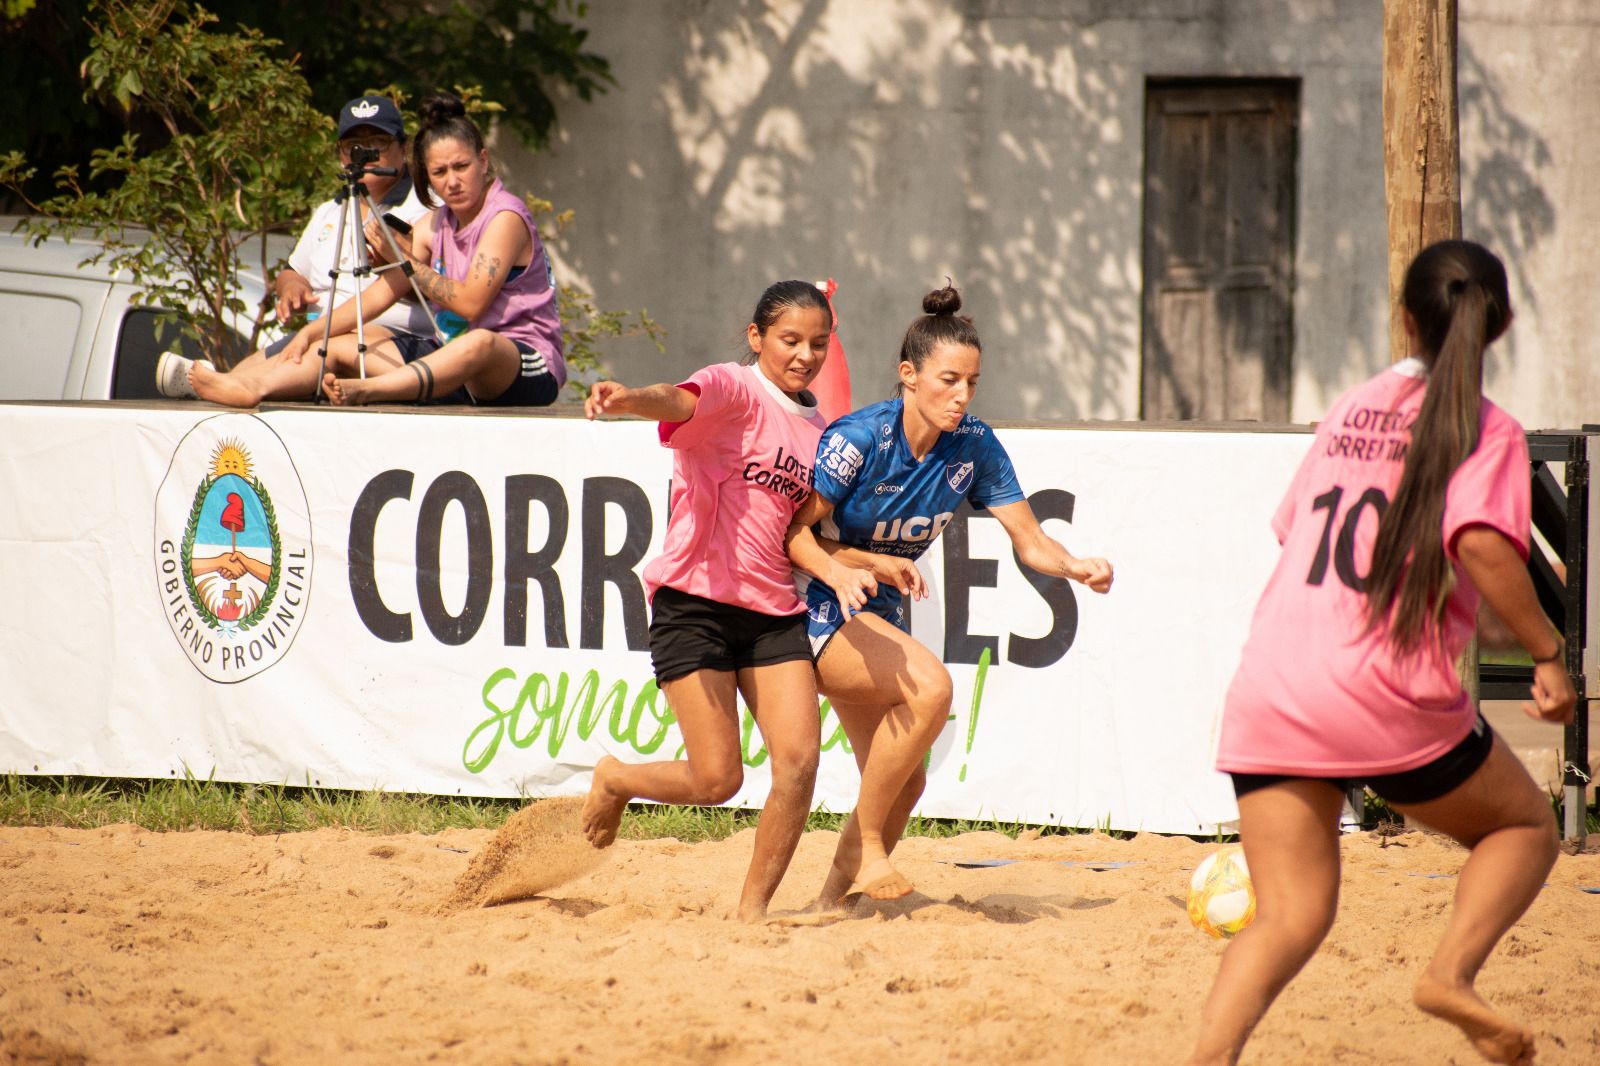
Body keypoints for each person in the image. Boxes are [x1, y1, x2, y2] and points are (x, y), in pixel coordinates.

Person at [1185, 240, 1576, 1066]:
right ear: (1497, 326)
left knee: (1288, 917)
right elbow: (1480, 542)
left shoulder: (1354, 403)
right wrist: (1547, 652)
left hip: (1275, 680)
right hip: (1386, 688)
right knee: (1525, 826)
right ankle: (1450, 976)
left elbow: (1293, 528)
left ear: (1405, 317)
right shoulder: (1486, 426)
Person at [784, 284, 1114, 906]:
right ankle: (874, 852)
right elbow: (793, 535)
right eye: (948, 380)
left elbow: (1029, 537)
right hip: (814, 602)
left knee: (904, 786)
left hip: (873, 611)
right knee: (932, 688)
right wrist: (861, 564)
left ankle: (829, 903)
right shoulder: (860, 438)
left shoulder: (974, 444)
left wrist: (1073, 566)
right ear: (908, 376)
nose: (961, 396)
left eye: (972, 383)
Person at [579, 281, 875, 922]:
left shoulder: (818, 429)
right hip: (695, 601)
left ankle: (752, 914)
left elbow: (807, 534)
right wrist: (630, 397)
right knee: (718, 781)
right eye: (790, 340)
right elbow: (677, 400)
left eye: (818, 343)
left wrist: (875, 563)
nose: (804, 355)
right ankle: (616, 778)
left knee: (797, 766)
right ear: (756, 337)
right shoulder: (734, 389)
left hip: (772, 610)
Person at [284, 91, 564, 407]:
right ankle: (243, 387)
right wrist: (310, 333)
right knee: (335, 345)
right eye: (440, 172)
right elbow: (377, 296)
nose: (453, 182)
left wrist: (407, 261)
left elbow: (472, 305)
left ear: (483, 162)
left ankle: (368, 390)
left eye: (461, 166)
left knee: (479, 344)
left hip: (520, 362)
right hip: (452, 364)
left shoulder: (505, 217)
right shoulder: (434, 222)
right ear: (427, 175)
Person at [158, 96, 436, 406]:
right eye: (353, 146)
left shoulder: (426, 206)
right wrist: (292, 289)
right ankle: (220, 382)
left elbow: (433, 289)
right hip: (322, 332)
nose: (364, 154)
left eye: (378, 143)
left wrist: (396, 258)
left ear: (403, 147)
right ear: (339, 154)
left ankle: (249, 388)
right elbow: (293, 271)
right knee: (249, 370)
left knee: (318, 348)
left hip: (395, 339)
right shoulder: (330, 210)